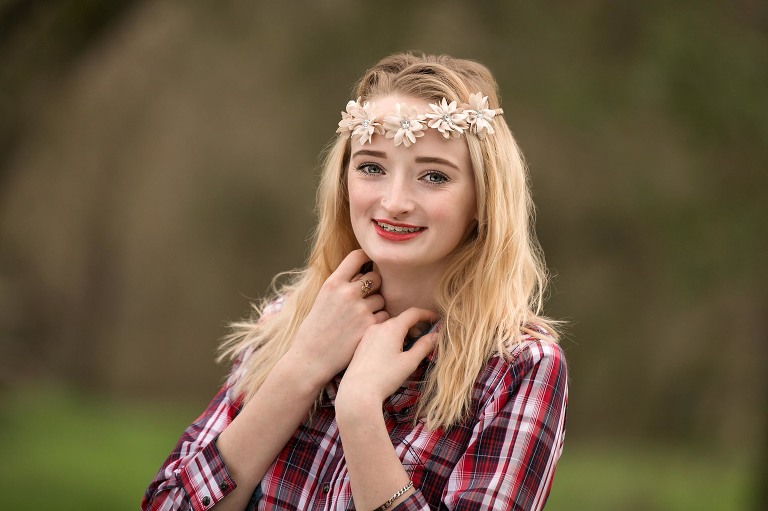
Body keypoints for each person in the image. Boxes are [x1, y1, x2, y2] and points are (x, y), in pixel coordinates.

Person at [142, 52, 568, 511]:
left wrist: (361, 410)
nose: (395, 201)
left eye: (434, 176)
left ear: (483, 198)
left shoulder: (517, 366)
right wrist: (302, 366)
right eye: (371, 167)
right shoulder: (292, 320)